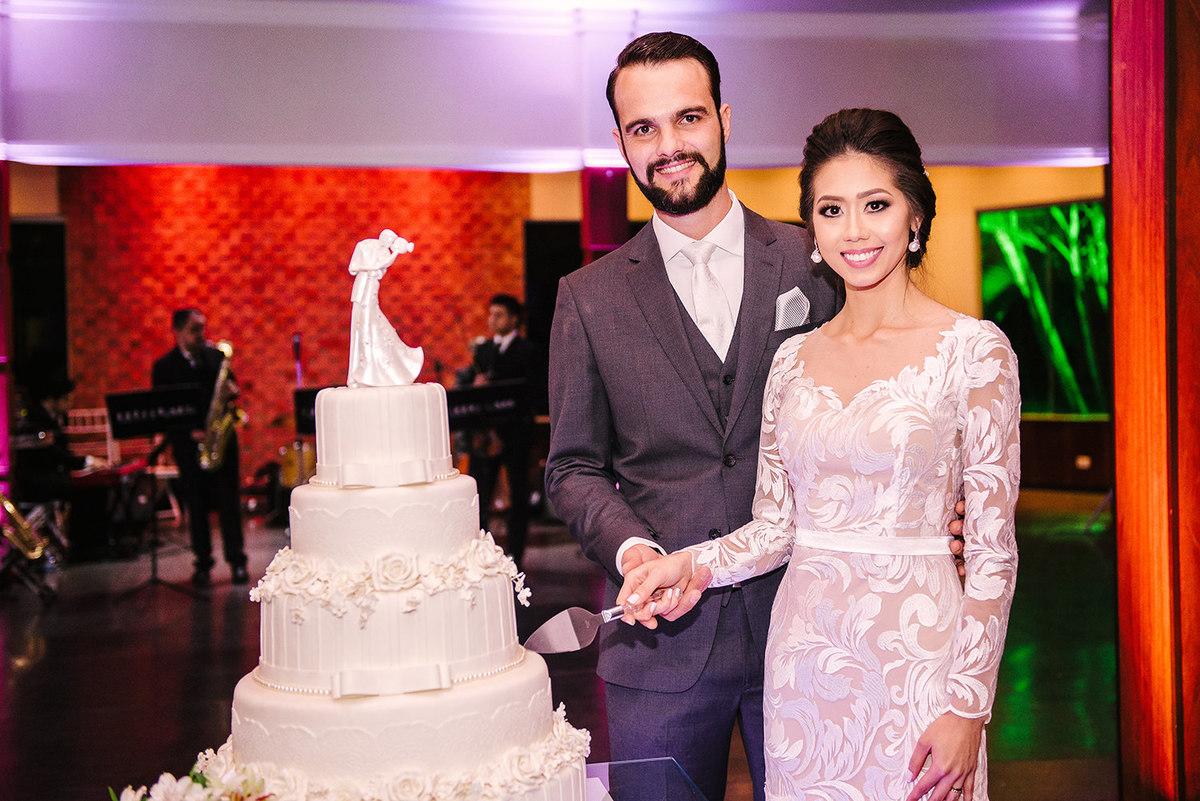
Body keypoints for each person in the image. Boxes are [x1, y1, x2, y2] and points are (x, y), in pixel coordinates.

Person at [545, 33, 967, 801]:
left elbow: (900, 393)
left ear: (724, 118)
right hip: (659, 651)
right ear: (620, 143)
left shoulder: (821, 255)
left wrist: (946, 504)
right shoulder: (588, 297)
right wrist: (635, 551)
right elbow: (571, 466)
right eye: (645, 129)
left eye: (689, 119)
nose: (670, 146)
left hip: (818, 633)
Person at [617, 108, 1021, 801]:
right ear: (812, 228)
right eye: (832, 209)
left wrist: (967, 706)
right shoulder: (793, 359)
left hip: (919, 661)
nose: (855, 231)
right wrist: (690, 564)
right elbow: (778, 528)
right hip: (804, 666)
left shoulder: (976, 351)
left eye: (877, 205)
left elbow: (993, 551)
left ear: (915, 217)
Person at [152, 308, 249, 587]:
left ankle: (237, 561)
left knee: (230, 502)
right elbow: (164, 411)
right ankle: (203, 564)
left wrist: (233, 391)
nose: (201, 335)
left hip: (222, 440)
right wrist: (187, 430)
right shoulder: (164, 367)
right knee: (196, 505)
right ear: (179, 331)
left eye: (202, 329)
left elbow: (232, 388)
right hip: (187, 444)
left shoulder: (216, 357)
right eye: (195, 330)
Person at [458, 293, 543, 568]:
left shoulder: (528, 350)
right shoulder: (482, 351)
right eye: (491, 314)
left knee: (518, 496)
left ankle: (516, 554)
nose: (492, 320)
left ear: (513, 318)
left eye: (499, 315)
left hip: (516, 434)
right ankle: (479, 551)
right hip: (486, 435)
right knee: (479, 495)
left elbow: (534, 390)